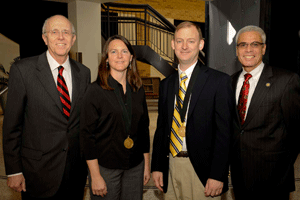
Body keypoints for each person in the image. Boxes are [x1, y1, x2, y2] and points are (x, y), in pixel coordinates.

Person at [2, 15, 91, 199]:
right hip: (37, 172)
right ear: (44, 38)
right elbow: (11, 126)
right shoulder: (23, 71)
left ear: (73, 39)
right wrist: (13, 171)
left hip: (75, 171)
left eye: (66, 32)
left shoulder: (84, 73)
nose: (61, 37)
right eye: (54, 32)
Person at [151, 21, 235, 199]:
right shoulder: (166, 84)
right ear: (173, 44)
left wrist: (218, 174)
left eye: (190, 41)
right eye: (179, 41)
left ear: (201, 44)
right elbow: (161, 129)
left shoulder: (219, 81)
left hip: (202, 170)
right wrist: (157, 166)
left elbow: (224, 133)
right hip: (171, 165)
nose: (184, 46)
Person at [230, 25, 300, 200]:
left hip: (273, 179)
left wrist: (280, 166)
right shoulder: (229, 82)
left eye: (254, 44)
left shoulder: (285, 80)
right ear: (237, 50)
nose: (248, 49)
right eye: (242, 45)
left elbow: (296, 131)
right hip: (239, 176)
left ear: (263, 48)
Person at [80, 35, 150, 200]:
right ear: (106, 58)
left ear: (131, 57)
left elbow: (143, 129)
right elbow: (87, 136)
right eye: (114, 51)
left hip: (135, 166)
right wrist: (95, 176)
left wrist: (146, 165)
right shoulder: (94, 91)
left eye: (124, 51)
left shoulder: (138, 90)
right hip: (105, 169)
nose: (120, 56)